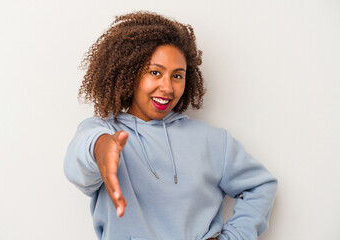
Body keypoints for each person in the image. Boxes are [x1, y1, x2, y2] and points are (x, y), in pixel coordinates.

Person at [64, 11, 277, 240]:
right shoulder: (102, 132)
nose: (167, 87)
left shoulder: (211, 140)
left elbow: (261, 185)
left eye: (177, 76)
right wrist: (102, 149)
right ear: (128, 74)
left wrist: (234, 236)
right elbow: (79, 160)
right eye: (155, 72)